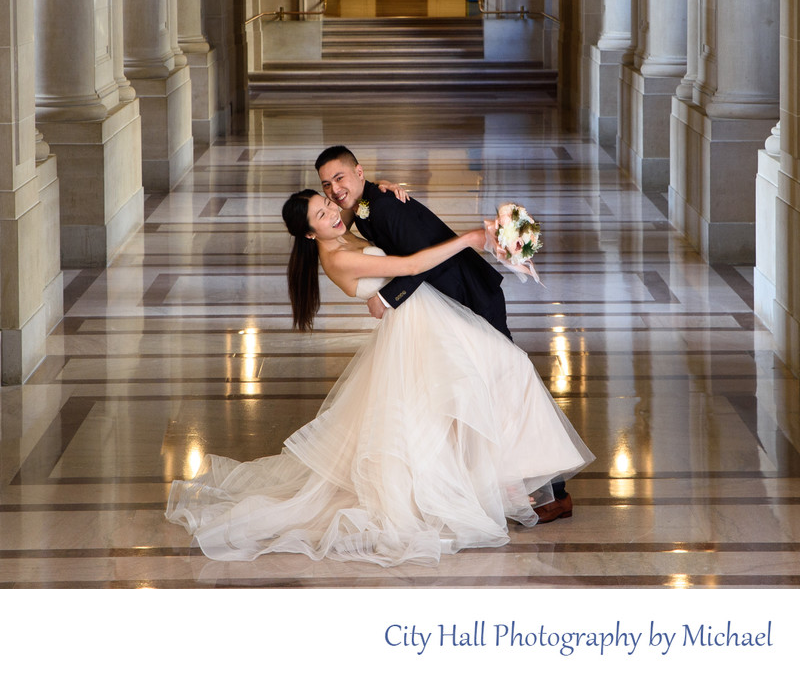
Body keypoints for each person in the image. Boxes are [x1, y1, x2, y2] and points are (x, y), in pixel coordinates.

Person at [164, 190, 594, 566]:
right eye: (321, 214)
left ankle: (521, 482)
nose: (332, 211)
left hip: (426, 317)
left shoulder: (340, 229)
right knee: (482, 386)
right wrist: (469, 239)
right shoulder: (337, 255)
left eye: (328, 203)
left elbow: (363, 205)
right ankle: (511, 488)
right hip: (419, 328)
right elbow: (407, 266)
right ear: (310, 234)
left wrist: (386, 188)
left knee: (492, 380)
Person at [316, 145, 574, 521]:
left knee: (505, 386)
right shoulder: (369, 205)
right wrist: (379, 186)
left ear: (358, 171)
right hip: (449, 305)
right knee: (488, 392)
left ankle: (554, 492)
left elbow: (420, 261)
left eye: (340, 178)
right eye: (327, 185)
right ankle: (522, 487)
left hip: (469, 297)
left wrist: (387, 299)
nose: (335, 190)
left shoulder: (382, 206)